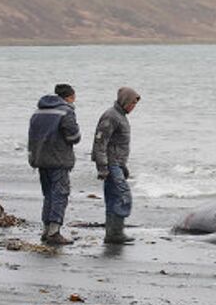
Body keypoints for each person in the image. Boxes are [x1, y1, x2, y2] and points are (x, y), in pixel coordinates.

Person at [27, 83, 81, 246]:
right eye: (74, 97)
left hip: (40, 159)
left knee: (48, 194)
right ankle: (54, 231)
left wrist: (32, 156)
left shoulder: (38, 111)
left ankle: (46, 229)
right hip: (58, 159)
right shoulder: (66, 111)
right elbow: (74, 137)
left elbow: (31, 136)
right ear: (69, 97)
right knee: (60, 194)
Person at [91, 86, 140, 245]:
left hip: (117, 164)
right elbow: (100, 142)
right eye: (132, 103)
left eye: (135, 104)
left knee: (113, 198)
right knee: (123, 196)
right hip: (111, 164)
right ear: (125, 101)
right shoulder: (111, 116)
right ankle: (116, 232)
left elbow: (117, 145)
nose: (133, 107)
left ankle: (112, 234)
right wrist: (103, 167)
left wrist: (123, 166)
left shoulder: (121, 116)